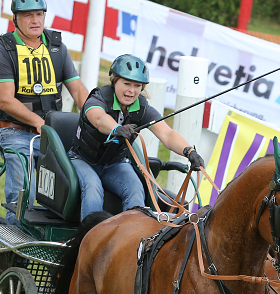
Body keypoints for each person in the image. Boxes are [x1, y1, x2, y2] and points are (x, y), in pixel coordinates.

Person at [68, 54, 205, 220]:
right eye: (126, 83)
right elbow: (97, 118)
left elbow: (167, 134)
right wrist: (116, 128)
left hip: (115, 164)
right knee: (92, 188)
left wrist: (189, 151)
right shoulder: (98, 97)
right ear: (114, 81)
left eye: (137, 85)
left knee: (135, 187)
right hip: (83, 160)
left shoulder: (141, 107)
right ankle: (89, 240)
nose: (131, 91)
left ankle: (132, 239)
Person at [0, 0, 89, 224]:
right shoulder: (4, 49)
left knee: (72, 189)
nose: (35, 20)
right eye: (27, 15)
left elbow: (79, 91)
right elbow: (5, 101)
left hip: (53, 136)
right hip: (16, 134)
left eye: (39, 14)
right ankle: (16, 250)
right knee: (25, 194)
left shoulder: (57, 48)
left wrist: (96, 117)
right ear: (15, 18)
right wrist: (38, 122)